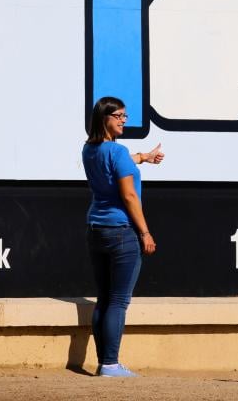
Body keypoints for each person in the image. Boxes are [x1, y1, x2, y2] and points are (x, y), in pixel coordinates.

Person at [82, 96, 164, 378]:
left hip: (96, 230)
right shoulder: (116, 153)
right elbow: (129, 195)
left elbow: (118, 161)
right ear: (104, 117)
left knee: (104, 299)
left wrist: (144, 157)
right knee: (117, 301)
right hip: (121, 233)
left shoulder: (90, 149)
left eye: (125, 116)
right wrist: (145, 232)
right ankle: (111, 364)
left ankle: (105, 362)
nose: (123, 120)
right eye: (118, 116)